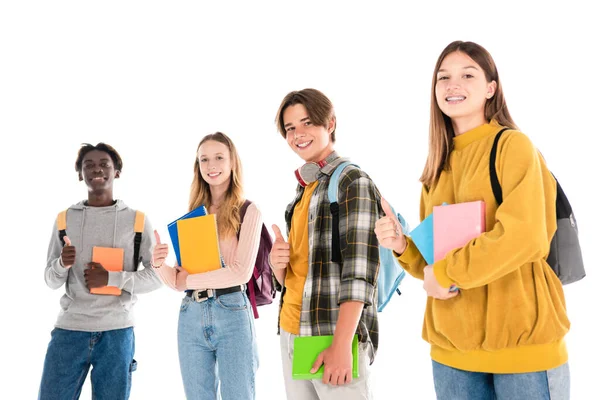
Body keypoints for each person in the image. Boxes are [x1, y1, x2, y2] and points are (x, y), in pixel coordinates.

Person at [375, 41, 571, 399]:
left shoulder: (513, 146)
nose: (453, 85)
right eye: (444, 77)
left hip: (521, 346)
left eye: (468, 75)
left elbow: (524, 237)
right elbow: (435, 263)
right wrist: (402, 245)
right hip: (452, 350)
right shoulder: (437, 167)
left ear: (491, 88)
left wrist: (444, 273)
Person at [270, 88, 380, 399]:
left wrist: (342, 345)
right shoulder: (305, 188)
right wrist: (278, 265)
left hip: (332, 335)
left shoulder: (351, 181)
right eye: (290, 128)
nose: (298, 134)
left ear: (329, 124)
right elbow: (299, 276)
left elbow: (360, 273)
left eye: (306, 123)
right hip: (292, 331)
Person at [39, 142, 162, 400]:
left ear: (116, 171)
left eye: (104, 164)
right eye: (89, 165)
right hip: (69, 331)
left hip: (117, 334)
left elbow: (156, 276)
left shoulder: (137, 221)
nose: (97, 170)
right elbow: (50, 280)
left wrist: (111, 278)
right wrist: (62, 263)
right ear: (80, 173)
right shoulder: (64, 220)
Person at [152, 132, 262, 400]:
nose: (211, 165)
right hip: (190, 314)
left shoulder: (248, 211)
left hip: (232, 311)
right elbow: (179, 279)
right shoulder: (194, 214)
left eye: (219, 157)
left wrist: (186, 281)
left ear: (232, 162)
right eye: (204, 160)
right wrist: (158, 265)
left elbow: (240, 272)